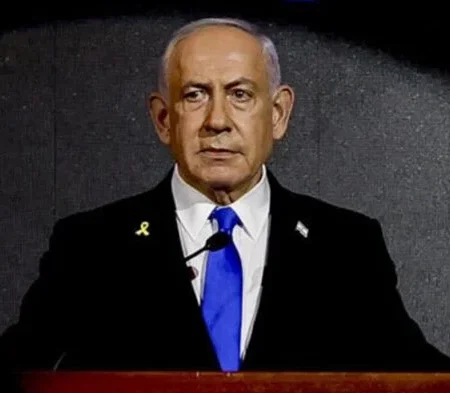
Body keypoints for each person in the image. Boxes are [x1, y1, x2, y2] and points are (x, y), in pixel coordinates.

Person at [1, 16, 449, 372]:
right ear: (163, 119)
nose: (217, 120)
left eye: (240, 94)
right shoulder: (92, 248)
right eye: (195, 95)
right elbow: (16, 372)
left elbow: (421, 382)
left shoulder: (346, 247)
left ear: (278, 114)